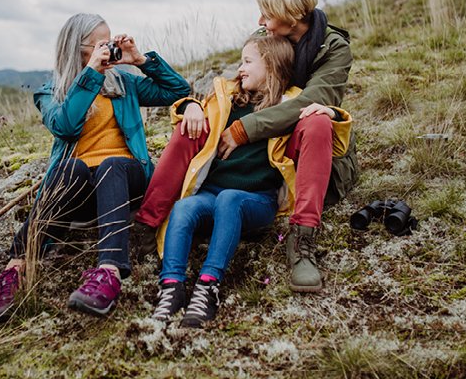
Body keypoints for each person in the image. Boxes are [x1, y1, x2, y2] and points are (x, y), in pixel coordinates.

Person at [136, 0, 355, 292]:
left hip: (297, 141)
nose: (261, 20)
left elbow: (312, 101)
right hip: (260, 138)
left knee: (317, 118)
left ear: (291, 15)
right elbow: (232, 84)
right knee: (190, 126)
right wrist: (193, 105)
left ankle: (303, 241)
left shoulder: (333, 48)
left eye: (267, 13)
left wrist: (243, 129)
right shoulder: (265, 35)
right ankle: (147, 223)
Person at [0, 13, 191, 319]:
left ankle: (108, 272)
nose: (108, 49)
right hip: (82, 190)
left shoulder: (123, 83)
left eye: (109, 42)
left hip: (126, 179)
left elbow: (178, 91)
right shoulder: (50, 92)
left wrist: (140, 60)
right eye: (100, 44)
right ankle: (16, 269)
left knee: (112, 164)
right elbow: (66, 127)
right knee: (69, 169)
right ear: (77, 48)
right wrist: (91, 74)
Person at [150, 34, 351, 327]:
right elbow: (193, 111)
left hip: (255, 200)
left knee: (230, 199)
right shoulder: (228, 99)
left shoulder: (288, 105)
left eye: (247, 61)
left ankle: (208, 286)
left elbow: (330, 137)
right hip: (212, 195)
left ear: (271, 66)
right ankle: (172, 287)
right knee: (184, 208)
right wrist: (190, 104)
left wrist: (331, 111)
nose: (240, 68)